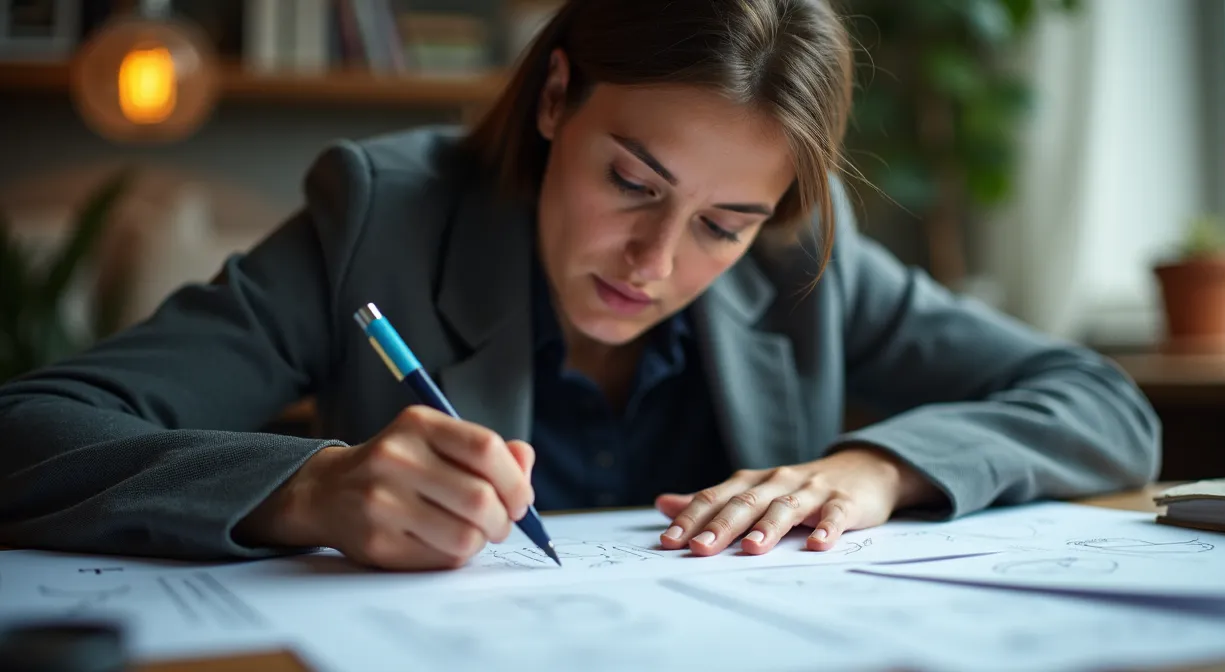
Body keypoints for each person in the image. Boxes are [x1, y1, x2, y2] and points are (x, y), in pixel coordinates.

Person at [0, 0, 1160, 571]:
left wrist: (877, 469)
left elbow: (1104, 406)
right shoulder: (379, 219)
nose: (656, 263)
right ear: (555, 99)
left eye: (722, 222)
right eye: (631, 181)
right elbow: (29, 430)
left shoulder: (795, 258)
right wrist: (308, 491)